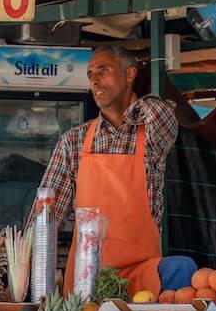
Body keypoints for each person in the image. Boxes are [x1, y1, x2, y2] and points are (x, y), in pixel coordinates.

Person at [37, 44, 196, 297]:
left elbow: (164, 116)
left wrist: (129, 107)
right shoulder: (73, 142)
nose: (95, 80)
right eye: (90, 74)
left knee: (182, 267)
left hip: (141, 274)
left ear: (130, 74)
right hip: (87, 279)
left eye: (103, 70)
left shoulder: (151, 136)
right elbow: (45, 219)